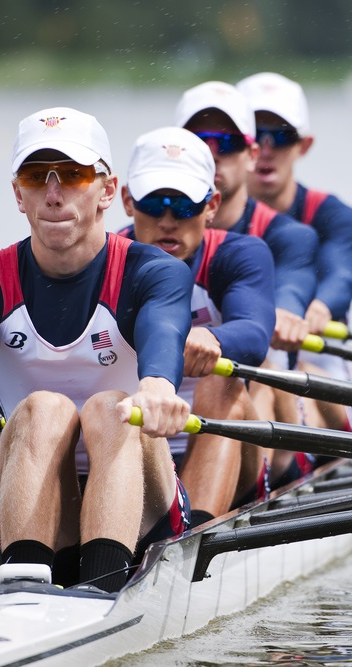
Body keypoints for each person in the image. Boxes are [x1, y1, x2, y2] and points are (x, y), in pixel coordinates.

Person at [0, 107, 194, 594]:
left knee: (113, 407)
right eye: (36, 176)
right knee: (42, 408)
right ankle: (25, 591)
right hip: (40, 499)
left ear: (107, 190)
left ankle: (104, 586)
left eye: (72, 175)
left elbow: (163, 337)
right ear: (18, 194)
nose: (53, 194)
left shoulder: (156, 274)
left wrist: (157, 387)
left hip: (145, 507)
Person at [117, 126, 277, 520]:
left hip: (227, 445)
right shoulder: (105, 261)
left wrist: (211, 336)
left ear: (211, 205)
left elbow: (255, 335)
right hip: (134, 439)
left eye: (185, 206)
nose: (168, 221)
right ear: (126, 201)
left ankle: (196, 535)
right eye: (154, 205)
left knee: (222, 382)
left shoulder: (238, 255)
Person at [175, 81, 322, 483]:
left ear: (249, 153)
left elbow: (291, 288)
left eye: (227, 143)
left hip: (274, 394)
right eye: (199, 141)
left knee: (253, 377)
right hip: (168, 405)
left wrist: (288, 313)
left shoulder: (287, 236)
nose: (212, 154)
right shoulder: (131, 239)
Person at [237, 72, 352, 433]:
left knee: (294, 374)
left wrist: (320, 309)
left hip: (321, 378)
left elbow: (341, 276)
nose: (267, 148)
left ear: (304, 145)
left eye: (281, 135)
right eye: (256, 135)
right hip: (249, 377)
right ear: (239, 146)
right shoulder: (202, 218)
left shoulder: (334, 216)